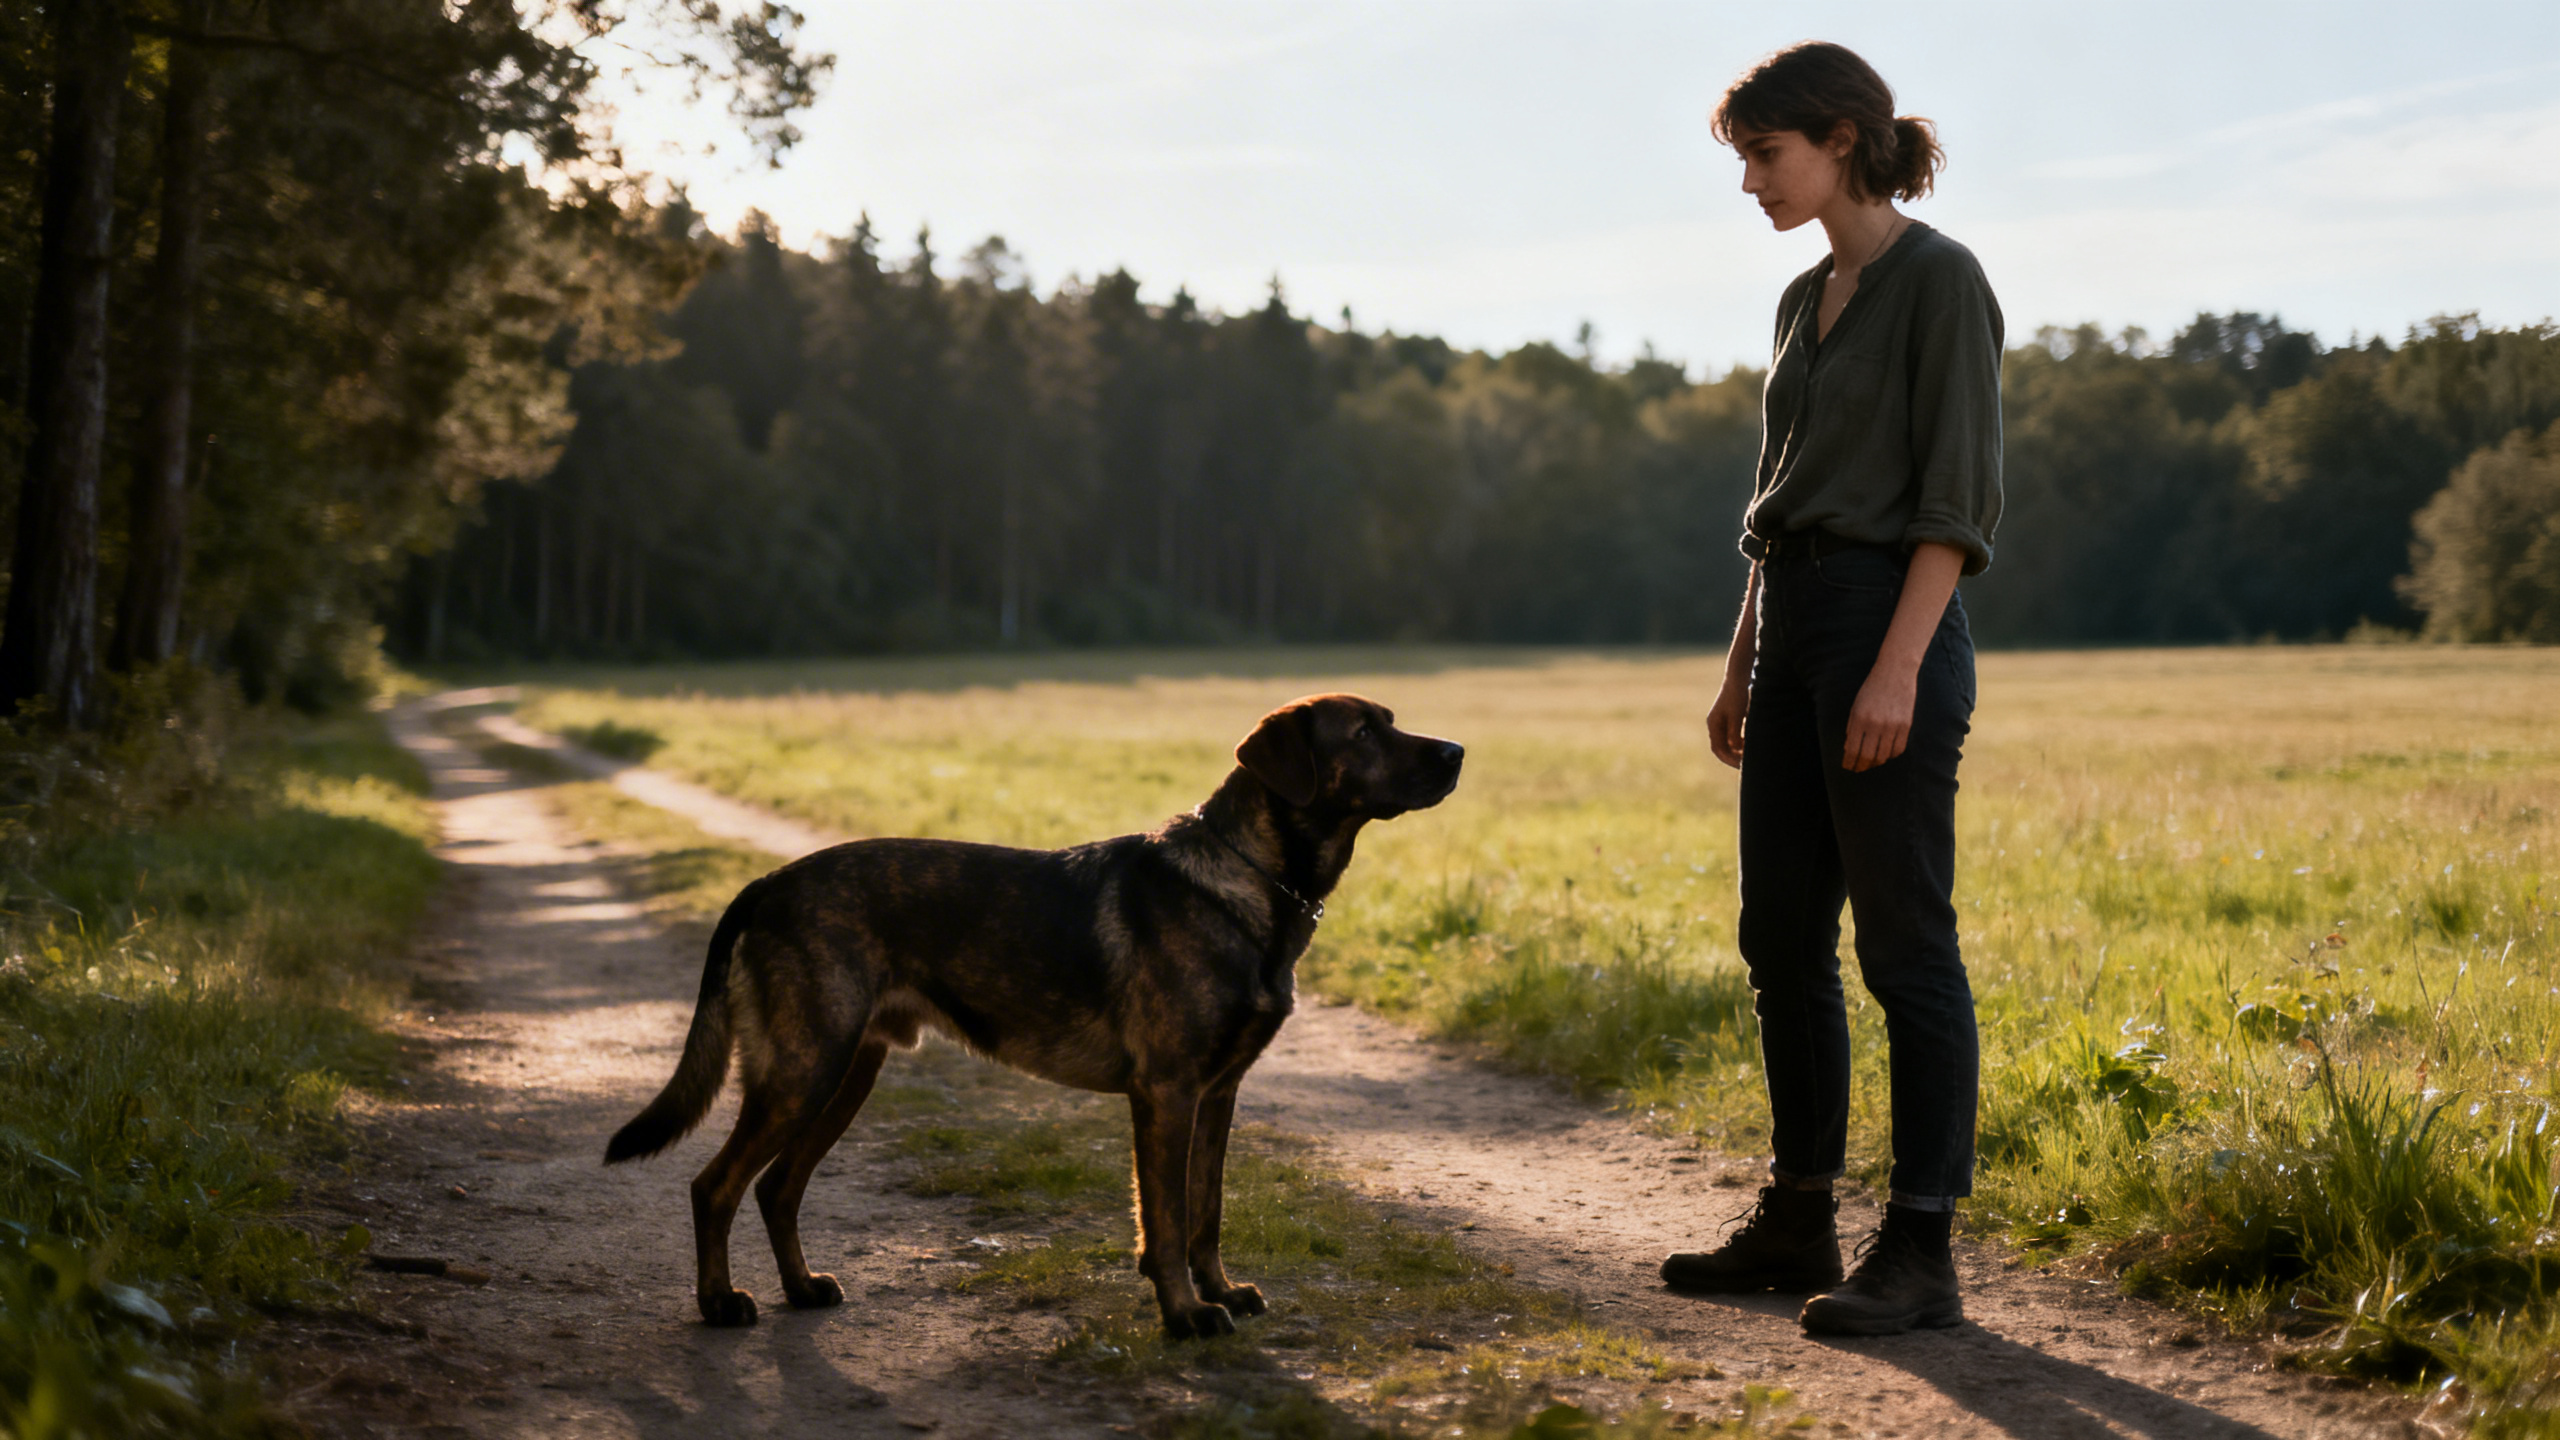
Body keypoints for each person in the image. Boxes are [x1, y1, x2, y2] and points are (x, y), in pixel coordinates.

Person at [1658, 41, 2001, 1337]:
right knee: (1780, 937)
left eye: (1766, 154)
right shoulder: (1803, 303)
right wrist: (1743, 660)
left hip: (1884, 621)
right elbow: (1774, 497)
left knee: (1903, 946)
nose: (1751, 181)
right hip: (1795, 619)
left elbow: (1955, 502)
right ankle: (1799, 1213)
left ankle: (1920, 1250)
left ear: (1842, 139)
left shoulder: (1940, 281)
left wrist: (1898, 666)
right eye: (1744, 158)